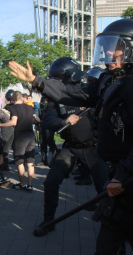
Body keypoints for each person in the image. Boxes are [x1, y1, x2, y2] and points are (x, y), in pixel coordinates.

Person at [8, 18, 133, 255]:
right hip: (105, 166)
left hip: (123, 173)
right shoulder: (109, 81)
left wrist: (122, 175)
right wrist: (37, 81)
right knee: (105, 251)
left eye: (115, 47)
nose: (108, 52)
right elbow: (72, 94)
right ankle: (49, 221)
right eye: (106, 46)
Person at [34, 57, 109, 236]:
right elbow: (49, 119)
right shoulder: (55, 97)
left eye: (57, 79)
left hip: (93, 149)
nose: (54, 82)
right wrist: (63, 120)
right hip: (70, 149)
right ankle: (48, 221)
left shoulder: (89, 92)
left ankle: (111, 231)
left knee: (105, 188)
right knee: (51, 182)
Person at [0, 91, 40, 192]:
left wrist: (0, 125)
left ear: (12, 99)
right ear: (21, 98)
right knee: (30, 162)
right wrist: (30, 122)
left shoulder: (13, 108)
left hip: (20, 137)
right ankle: (30, 185)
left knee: (20, 162)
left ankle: (22, 184)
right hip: (30, 136)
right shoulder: (30, 107)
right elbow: (38, 120)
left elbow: (13, 122)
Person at [37, 95, 58, 166]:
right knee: (42, 141)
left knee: (49, 139)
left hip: (50, 121)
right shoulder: (43, 99)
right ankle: (43, 160)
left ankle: (56, 157)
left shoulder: (53, 98)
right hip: (43, 121)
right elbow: (40, 111)